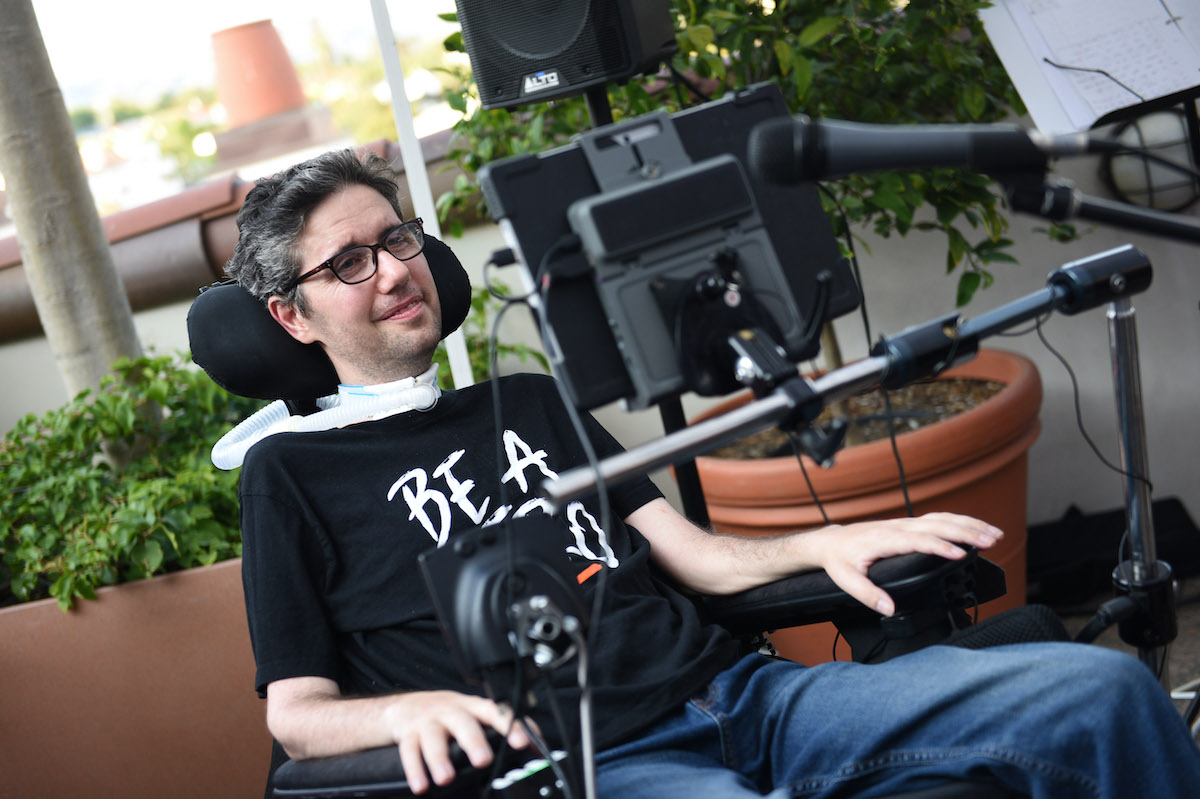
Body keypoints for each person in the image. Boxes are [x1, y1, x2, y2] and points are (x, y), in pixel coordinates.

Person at [222, 147, 1200, 799]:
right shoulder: (289, 473)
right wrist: (405, 712)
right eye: (347, 263)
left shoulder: (522, 401)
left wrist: (828, 538)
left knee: (1104, 696)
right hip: (598, 767)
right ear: (291, 316)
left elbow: (697, 555)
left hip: (744, 698)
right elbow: (297, 717)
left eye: (397, 239)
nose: (394, 271)